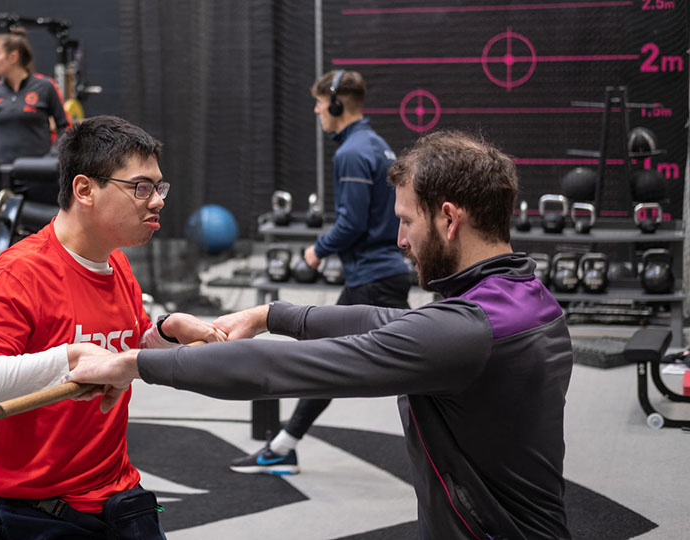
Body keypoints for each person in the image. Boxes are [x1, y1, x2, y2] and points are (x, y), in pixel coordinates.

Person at [68, 130, 575, 540]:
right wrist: (269, 315)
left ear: (448, 219)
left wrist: (132, 365)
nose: (401, 240)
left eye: (406, 221)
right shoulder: (521, 297)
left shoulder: (467, 332)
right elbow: (382, 321)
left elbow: (273, 370)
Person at [0, 115, 225, 540]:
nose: (157, 201)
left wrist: (166, 333)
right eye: (141, 187)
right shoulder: (16, 275)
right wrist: (70, 357)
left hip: (115, 490)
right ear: (84, 190)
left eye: (159, 187)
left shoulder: (115, 262)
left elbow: (123, 350)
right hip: (33, 505)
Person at [231, 69, 412, 475]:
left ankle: (282, 447)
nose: (316, 111)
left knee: (397, 370)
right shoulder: (376, 144)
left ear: (335, 104)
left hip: (373, 280)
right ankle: (283, 446)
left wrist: (315, 252)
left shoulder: (351, 152)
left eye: (318, 103)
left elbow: (352, 224)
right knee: (334, 365)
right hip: (378, 276)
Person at [0, 27, 70, 203]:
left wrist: (51, 158)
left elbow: (65, 128)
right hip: (4, 177)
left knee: (40, 219)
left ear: (13, 57)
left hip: (39, 175)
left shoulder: (45, 86)